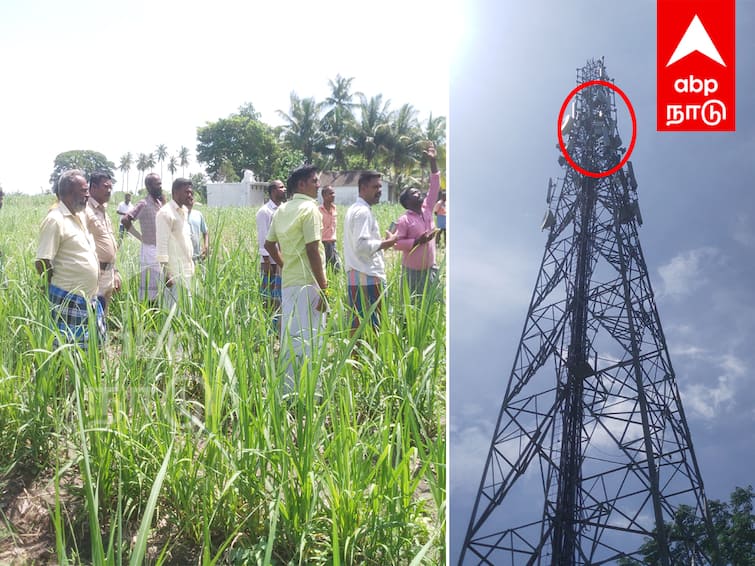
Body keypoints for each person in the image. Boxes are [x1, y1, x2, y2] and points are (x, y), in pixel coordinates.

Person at [264, 165, 328, 391]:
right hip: (309, 284)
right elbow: (313, 249)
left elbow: (269, 244)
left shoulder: (282, 210)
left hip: (289, 283)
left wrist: (285, 264)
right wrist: (324, 288)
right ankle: (311, 393)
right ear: (301, 184)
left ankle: (288, 391)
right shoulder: (310, 209)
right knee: (311, 339)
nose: (318, 184)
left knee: (291, 336)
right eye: (314, 180)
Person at [35, 170, 104, 347]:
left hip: (89, 299)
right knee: (67, 350)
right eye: (83, 190)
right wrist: (55, 286)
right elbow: (42, 262)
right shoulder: (55, 219)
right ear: (69, 192)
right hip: (69, 298)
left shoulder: (79, 215)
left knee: (89, 350)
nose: (88, 194)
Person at [343, 170, 398, 333]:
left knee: (356, 325)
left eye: (380, 187)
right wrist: (387, 243)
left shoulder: (355, 209)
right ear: (363, 188)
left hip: (356, 274)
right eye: (375, 187)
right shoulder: (363, 212)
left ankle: (354, 357)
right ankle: (370, 357)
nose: (379, 191)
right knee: (375, 326)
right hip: (368, 276)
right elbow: (361, 246)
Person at [394, 143, 441, 298]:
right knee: (410, 306)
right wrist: (417, 241)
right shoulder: (404, 220)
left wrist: (433, 162)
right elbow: (396, 244)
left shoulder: (427, 209)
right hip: (412, 273)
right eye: (414, 193)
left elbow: (434, 186)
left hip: (431, 269)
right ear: (407, 202)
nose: (418, 193)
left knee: (432, 304)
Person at [121, 173, 164, 304]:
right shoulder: (144, 204)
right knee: (150, 288)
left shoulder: (159, 203)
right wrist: (140, 237)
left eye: (160, 183)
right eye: (158, 184)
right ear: (149, 186)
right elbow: (125, 220)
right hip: (150, 250)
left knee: (161, 285)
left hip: (161, 249)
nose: (160, 187)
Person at [156, 178, 195, 310]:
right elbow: (161, 245)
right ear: (176, 192)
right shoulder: (166, 213)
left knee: (186, 310)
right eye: (186, 192)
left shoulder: (183, 211)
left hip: (186, 271)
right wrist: (168, 273)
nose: (189, 195)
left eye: (191, 192)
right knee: (173, 312)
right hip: (174, 275)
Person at [84, 171, 121, 314]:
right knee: (92, 316)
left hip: (109, 273)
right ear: (93, 187)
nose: (109, 190)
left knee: (103, 317)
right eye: (105, 187)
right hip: (95, 274)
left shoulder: (103, 210)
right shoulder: (85, 210)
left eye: (111, 187)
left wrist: (115, 271)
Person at [256, 179, 287, 326]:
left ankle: (278, 325)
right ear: (273, 191)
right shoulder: (265, 212)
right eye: (281, 187)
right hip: (270, 262)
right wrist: (267, 261)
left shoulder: (283, 209)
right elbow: (263, 237)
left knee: (279, 296)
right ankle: (268, 327)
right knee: (268, 297)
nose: (284, 189)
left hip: (281, 259)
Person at [319, 185, 341, 271]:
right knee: (323, 268)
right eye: (330, 193)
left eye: (334, 193)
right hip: (322, 243)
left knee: (336, 269)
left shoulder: (334, 209)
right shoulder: (318, 210)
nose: (333, 195)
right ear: (324, 196)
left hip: (332, 244)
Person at [186, 195, 209, 263]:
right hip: (184, 258)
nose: (190, 201)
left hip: (198, 256)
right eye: (187, 199)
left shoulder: (198, 214)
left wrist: (206, 246)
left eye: (191, 199)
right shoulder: (177, 215)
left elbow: (205, 232)